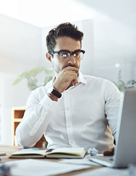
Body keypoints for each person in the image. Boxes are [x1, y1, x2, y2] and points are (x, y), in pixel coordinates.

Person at [16, 22, 121, 155]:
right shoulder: (38, 95)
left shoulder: (105, 88)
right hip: (56, 165)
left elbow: (123, 134)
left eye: (76, 53)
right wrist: (54, 92)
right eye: (64, 54)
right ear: (49, 57)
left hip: (96, 163)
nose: (72, 61)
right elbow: (24, 140)